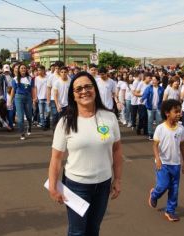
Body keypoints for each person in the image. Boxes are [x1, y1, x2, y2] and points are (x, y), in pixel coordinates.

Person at [48, 71, 122, 236]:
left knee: (93, 229)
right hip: (76, 187)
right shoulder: (65, 122)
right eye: (78, 89)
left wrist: (117, 179)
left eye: (88, 86)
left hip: (103, 185)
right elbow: (56, 157)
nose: (84, 91)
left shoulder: (110, 117)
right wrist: (53, 186)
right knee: (77, 232)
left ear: (95, 89)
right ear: (73, 95)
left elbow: (116, 150)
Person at [148, 99, 184, 222]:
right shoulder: (160, 128)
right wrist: (158, 159)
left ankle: (170, 211)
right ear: (167, 113)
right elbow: (155, 145)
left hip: (175, 164)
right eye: (176, 111)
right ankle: (154, 194)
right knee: (163, 185)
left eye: (180, 111)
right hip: (163, 163)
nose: (179, 114)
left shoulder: (181, 129)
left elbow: (182, 147)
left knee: (174, 190)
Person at [10, 63, 36, 140]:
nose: (23, 70)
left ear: (26, 69)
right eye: (21, 68)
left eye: (24, 68)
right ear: (19, 70)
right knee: (20, 118)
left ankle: (29, 126)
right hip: (18, 98)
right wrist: (10, 100)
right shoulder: (15, 79)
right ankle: (22, 133)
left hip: (28, 98)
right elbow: (13, 90)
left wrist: (34, 99)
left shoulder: (30, 78)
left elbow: (32, 89)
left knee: (29, 116)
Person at [141, 75, 164, 140]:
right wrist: (142, 98)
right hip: (150, 107)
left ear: (158, 81)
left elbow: (163, 97)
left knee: (159, 121)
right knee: (150, 121)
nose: (153, 81)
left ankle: (158, 134)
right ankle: (150, 134)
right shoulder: (149, 88)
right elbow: (145, 94)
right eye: (152, 80)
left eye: (154, 80)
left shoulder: (161, 89)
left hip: (158, 107)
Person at [35, 65, 49, 130]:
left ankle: (46, 123)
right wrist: (36, 97)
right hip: (40, 98)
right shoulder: (36, 78)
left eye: (40, 70)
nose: (39, 71)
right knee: (41, 113)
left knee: (48, 112)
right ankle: (43, 125)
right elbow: (35, 88)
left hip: (47, 98)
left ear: (44, 70)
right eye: (38, 70)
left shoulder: (48, 77)